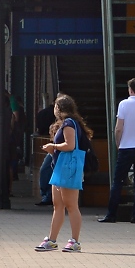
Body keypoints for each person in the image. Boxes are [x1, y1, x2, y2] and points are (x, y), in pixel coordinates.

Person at [35, 94, 92, 253]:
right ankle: (52, 240)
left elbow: (70, 145)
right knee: (58, 205)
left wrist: (53, 146)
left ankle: (75, 241)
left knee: (71, 205)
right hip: (61, 168)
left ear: (59, 109)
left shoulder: (68, 124)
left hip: (67, 168)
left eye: (55, 107)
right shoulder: (71, 123)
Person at [98, 76, 135, 223]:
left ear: (130, 90)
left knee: (118, 181)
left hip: (126, 147)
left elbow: (118, 128)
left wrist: (118, 143)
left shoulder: (124, 104)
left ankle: (111, 214)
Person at [35, 95, 61, 206]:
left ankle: (48, 195)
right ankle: (48, 195)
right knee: (47, 170)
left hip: (59, 149)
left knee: (47, 170)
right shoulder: (63, 121)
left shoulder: (68, 122)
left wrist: (54, 147)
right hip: (56, 147)